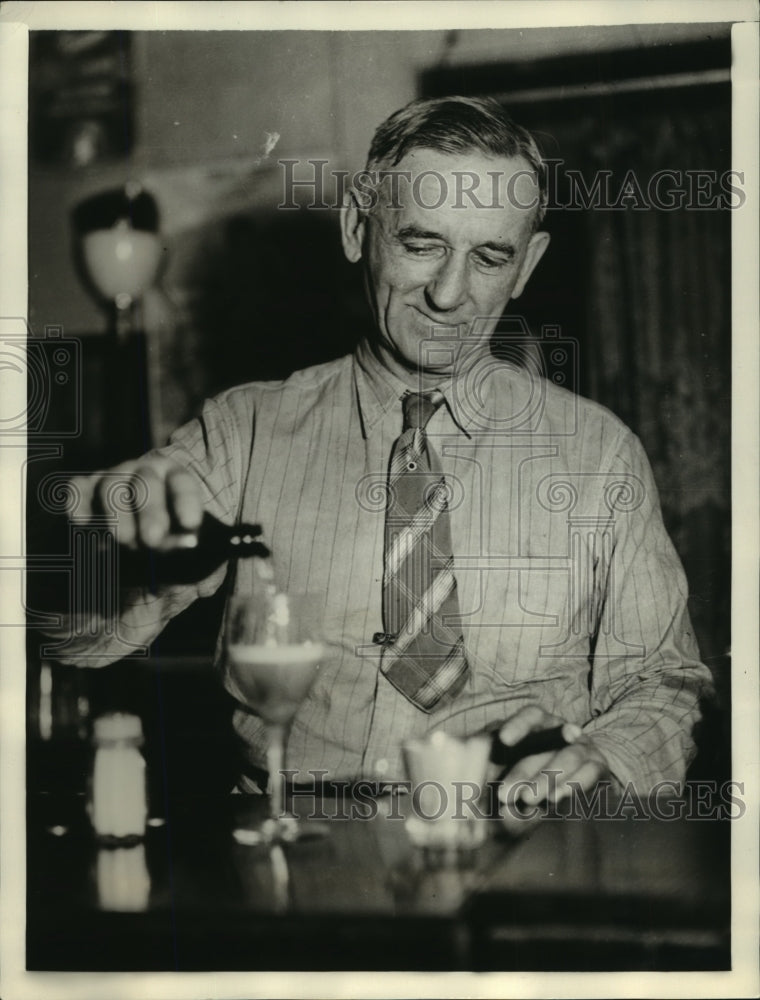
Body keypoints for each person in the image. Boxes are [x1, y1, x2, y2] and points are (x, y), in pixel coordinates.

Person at [47, 96, 711, 810]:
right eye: (422, 244)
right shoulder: (243, 430)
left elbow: (661, 685)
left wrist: (603, 759)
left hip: (506, 837)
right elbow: (77, 643)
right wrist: (110, 545)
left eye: (490, 257)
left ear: (528, 266)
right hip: (294, 849)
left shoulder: (599, 455)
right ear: (358, 228)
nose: (450, 295)